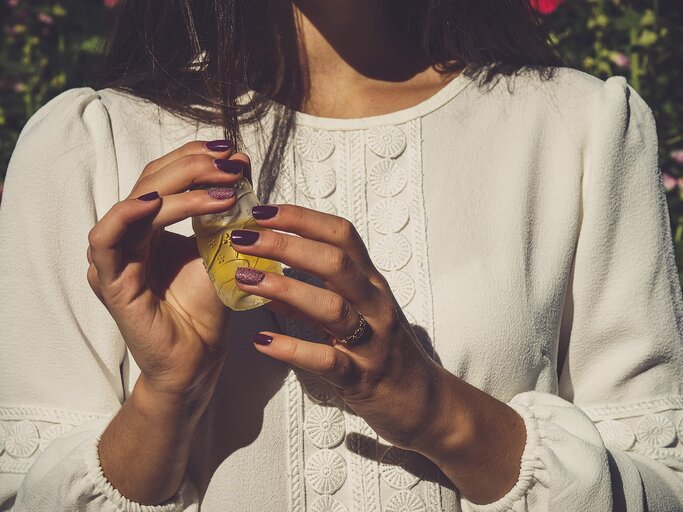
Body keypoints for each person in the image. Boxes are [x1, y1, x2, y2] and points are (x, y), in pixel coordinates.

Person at [1, 0, 682, 510]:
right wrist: (166, 396)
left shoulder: (580, 129)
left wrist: (432, 410)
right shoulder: (90, 147)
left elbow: (659, 484)